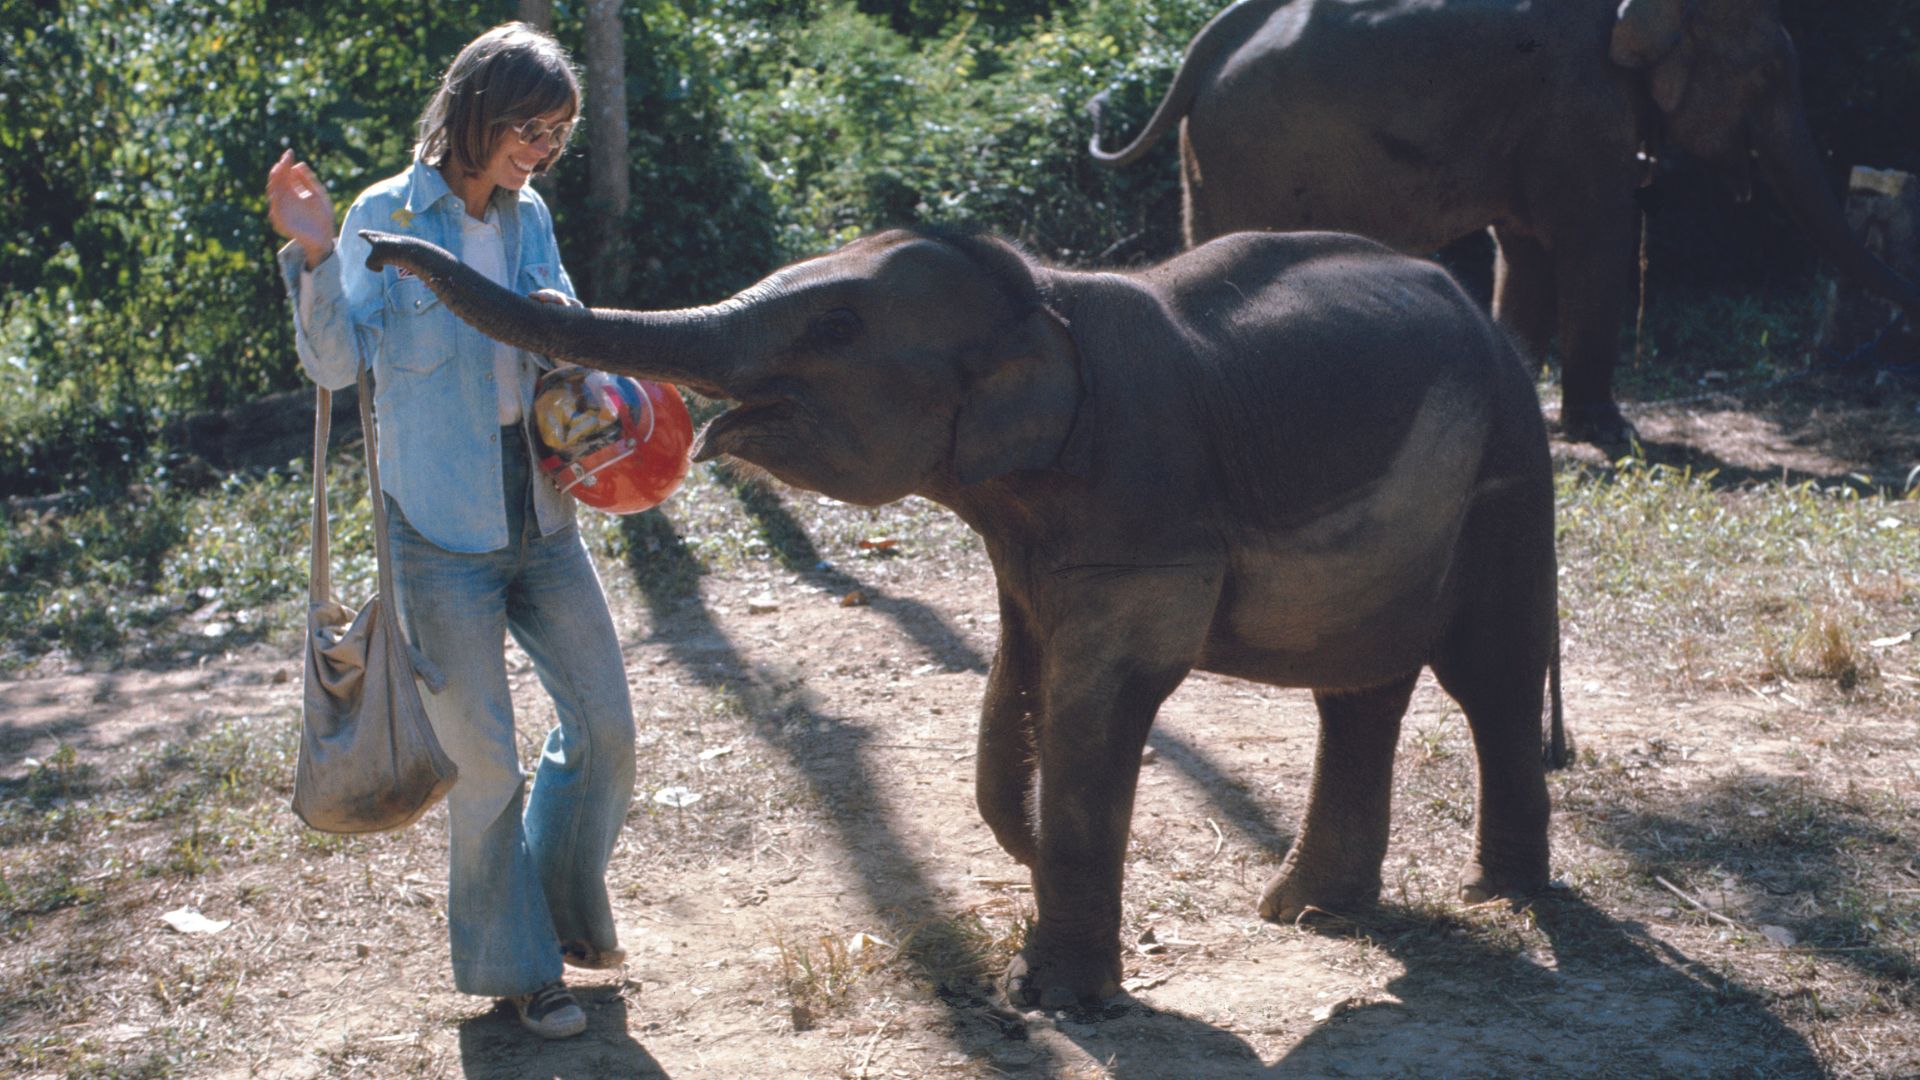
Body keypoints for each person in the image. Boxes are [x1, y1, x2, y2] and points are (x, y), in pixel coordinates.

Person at [266, 22, 635, 1041]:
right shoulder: (388, 214)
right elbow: (339, 367)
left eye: (559, 130)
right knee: (489, 765)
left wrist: (572, 329)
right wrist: (312, 247)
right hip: (438, 534)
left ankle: (564, 912)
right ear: (477, 108)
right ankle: (521, 971)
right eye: (531, 126)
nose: (544, 147)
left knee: (606, 730)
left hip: (543, 513)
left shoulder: (530, 216)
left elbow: (561, 337)